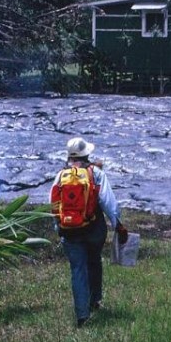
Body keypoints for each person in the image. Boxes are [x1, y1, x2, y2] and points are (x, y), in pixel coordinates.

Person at [51, 137, 127, 327]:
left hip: (69, 231)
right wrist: (118, 224)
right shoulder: (96, 174)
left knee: (77, 269)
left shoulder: (60, 176)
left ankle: (82, 316)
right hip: (94, 229)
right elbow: (108, 202)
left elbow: (54, 204)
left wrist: (58, 228)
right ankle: (94, 300)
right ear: (87, 154)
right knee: (94, 261)